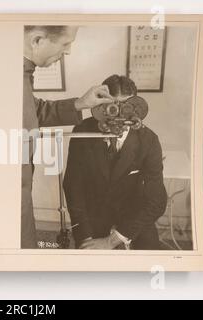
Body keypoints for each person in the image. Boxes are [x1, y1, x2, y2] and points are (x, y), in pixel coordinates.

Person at [22, 25, 114, 248]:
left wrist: (80, 103)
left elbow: (34, 110)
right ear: (37, 40)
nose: (69, 51)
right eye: (65, 43)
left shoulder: (22, 73)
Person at [63, 75, 167, 250]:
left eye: (125, 109)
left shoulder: (148, 140)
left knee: (149, 259)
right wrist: (84, 236)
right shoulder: (82, 131)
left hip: (133, 218)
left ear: (136, 108)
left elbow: (156, 201)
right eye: (111, 108)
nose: (118, 116)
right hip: (94, 217)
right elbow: (73, 186)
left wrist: (112, 241)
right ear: (100, 106)